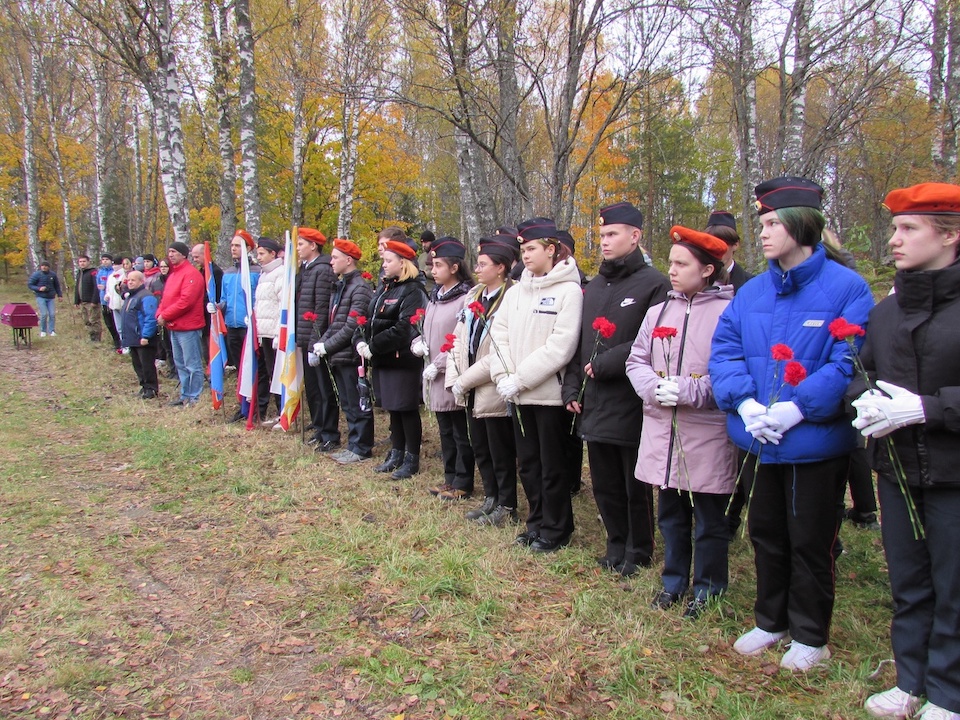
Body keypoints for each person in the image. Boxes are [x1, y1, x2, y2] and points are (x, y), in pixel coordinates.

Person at [709, 176, 874, 671]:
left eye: (772, 223)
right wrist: (745, 405)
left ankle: (810, 632)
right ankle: (770, 619)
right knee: (765, 532)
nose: (762, 233)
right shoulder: (753, 291)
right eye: (761, 223)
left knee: (810, 537)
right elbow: (726, 351)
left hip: (814, 442)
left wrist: (797, 407)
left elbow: (849, 360)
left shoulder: (848, 288)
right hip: (760, 439)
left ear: (802, 225)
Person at [850, 183, 960, 720]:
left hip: (953, 472)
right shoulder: (888, 310)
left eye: (909, 229)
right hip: (895, 470)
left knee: (953, 584)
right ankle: (909, 680)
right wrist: (865, 403)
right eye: (894, 228)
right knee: (909, 580)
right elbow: (862, 369)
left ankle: (948, 692)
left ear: (951, 235)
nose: (894, 239)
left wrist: (930, 409)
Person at [626, 226, 736, 619]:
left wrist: (691, 391)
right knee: (670, 515)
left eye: (680, 263)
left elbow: (732, 373)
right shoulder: (659, 311)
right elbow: (636, 360)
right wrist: (653, 388)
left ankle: (708, 587)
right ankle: (673, 580)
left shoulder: (729, 313)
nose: (671, 270)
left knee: (708, 518)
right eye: (670, 262)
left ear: (707, 269)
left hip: (705, 432)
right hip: (663, 430)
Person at [562, 201, 670, 576]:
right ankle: (616, 544)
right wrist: (572, 388)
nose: (604, 241)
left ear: (635, 236)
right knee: (604, 482)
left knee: (632, 483)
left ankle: (639, 550)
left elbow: (651, 339)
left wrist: (607, 365)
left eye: (612, 234)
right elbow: (579, 342)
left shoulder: (655, 284)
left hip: (629, 399)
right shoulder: (593, 286)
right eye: (602, 235)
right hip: (593, 400)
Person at [490, 217, 583, 553]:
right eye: (523, 250)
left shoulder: (569, 291)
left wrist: (521, 377)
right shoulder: (516, 292)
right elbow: (497, 334)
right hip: (517, 394)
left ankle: (557, 529)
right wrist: (503, 377)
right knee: (528, 465)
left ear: (550, 249)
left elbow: (561, 345)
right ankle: (537, 523)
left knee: (551, 466)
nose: (525, 255)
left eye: (531, 249)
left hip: (547, 396)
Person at [447, 233, 520, 526]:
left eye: (483, 264)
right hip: (469, 384)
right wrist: (455, 377)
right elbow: (459, 337)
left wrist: (465, 379)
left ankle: (507, 504)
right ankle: (491, 497)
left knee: (500, 450)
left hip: (491, 384)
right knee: (480, 447)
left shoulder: (511, 297)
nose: (476, 269)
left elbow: (501, 350)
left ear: (500, 267)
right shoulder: (474, 295)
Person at [356, 238, 428, 479]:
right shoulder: (386, 287)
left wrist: (374, 346)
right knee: (392, 409)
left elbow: (405, 327)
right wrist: (362, 340)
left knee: (405, 408)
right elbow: (371, 319)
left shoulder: (413, 290)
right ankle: (396, 452)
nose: (384, 265)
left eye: (388, 261)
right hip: (384, 359)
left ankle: (411, 458)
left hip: (402, 360)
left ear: (403, 262)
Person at [412, 236, 476, 500]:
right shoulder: (435, 297)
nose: (432, 270)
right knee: (445, 430)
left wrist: (439, 363)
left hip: (451, 373)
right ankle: (450, 477)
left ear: (454, 268)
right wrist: (418, 343)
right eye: (432, 265)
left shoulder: (464, 298)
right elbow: (430, 330)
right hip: (434, 375)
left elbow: (460, 338)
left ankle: (463, 481)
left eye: (438, 265)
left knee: (460, 432)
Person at [314, 239, 375, 464]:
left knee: (357, 402)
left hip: (351, 355)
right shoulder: (343, 286)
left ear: (348, 260)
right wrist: (321, 343)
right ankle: (354, 444)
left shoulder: (359, 287)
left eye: (335, 258)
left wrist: (327, 346)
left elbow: (352, 326)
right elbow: (335, 323)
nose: (331, 262)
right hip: (339, 355)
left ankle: (361, 447)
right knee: (348, 402)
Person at [297, 228, 340, 451]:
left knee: (324, 389)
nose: (298, 248)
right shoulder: (305, 270)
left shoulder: (322, 271)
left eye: (301, 244)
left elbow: (321, 309)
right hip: (305, 337)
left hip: (317, 340)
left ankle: (330, 432)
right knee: (313, 388)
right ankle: (320, 427)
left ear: (313, 245)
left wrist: (315, 342)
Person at [157, 242, 206, 407]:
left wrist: (166, 314)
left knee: (192, 364)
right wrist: (159, 314)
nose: (170, 255)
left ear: (184, 255)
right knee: (180, 363)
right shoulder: (173, 275)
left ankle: (195, 397)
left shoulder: (191, 274)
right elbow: (166, 299)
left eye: (174, 252)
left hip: (188, 327)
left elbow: (186, 301)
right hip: (174, 326)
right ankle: (185, 395)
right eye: (169, 251)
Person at [219, 231, 261, 422]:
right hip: (232, 325)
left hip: (249, 326)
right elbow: (225, 298)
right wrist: (218, 307)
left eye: (238, 245)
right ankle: (243, 403)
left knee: (255, 367)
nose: (234, 249)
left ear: (248, 249)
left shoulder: (256, 272)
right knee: (239, 367)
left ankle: (257, 404)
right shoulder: (227, 273)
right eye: (232, 245)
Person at [254, 237, 284, 424]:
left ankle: (283, 411)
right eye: (258, 253)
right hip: (264, 331)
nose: (259, 257)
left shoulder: (279, 274)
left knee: (278, 374)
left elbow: (282, 304)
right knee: (270, 373)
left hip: (274, 332)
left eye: (262, 253)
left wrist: (279, 332)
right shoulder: (263, 275)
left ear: (273, 254)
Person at [119, 270, 160, 399]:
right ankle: (144, 386)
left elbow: (150, 318)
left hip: (143, 338)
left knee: (147, 364)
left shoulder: (146, 296)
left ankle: (151, 388)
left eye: (133, 280)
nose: (130, 282)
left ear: (141, 281)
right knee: (137, 364)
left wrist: (146, 336)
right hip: (133, 338)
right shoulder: (131, 296)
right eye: (129, 280)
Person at [706, 211, 753, 291]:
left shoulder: (751, 284)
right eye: (710, 244)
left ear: (735, 245)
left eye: (721, 244)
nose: (715, 250)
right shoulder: (694, 282)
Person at [27, 260, 62, 337]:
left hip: (51, 297)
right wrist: (39, 288)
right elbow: (30, 284)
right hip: (41, 297)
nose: (44, 267)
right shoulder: (36, 275)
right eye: (43, 266)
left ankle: (52, 330)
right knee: (44, 314)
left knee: (52, 314)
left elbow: (57, 286)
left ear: (48, 267)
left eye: (46, 266)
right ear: (40, 267)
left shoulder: (53, 275)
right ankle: (43, 330)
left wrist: (60, 295)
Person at [96, 253, 122, 350]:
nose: (105, 261)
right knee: (109, 324)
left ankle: (121, 343)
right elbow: (98, 285)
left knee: (117, 324)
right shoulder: (100, 272)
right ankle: (116, 342)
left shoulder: (114, 272)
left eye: (107, 259)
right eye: (103, 259)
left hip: (115, 302)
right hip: (104, 301)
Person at [74, 255, 101, 341]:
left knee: (94, 320)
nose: (82, 263)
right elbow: (77, 287)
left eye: (84, 261)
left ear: (88, 262)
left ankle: (97, 338)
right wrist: (76, 301)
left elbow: (96, 287)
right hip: (83, 301)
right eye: (80, 262)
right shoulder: (80, 273)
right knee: (86, 321)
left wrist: (94, 300)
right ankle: (91, 336)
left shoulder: (93, 272)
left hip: (91, 301)